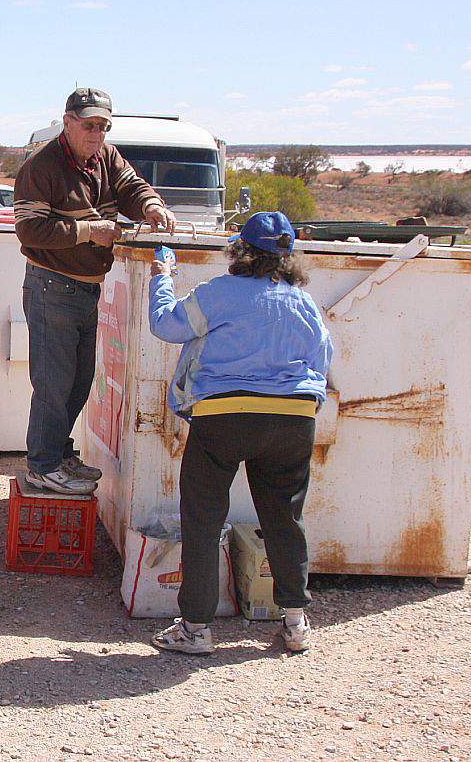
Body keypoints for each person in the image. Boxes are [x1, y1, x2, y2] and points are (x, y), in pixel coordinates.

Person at [146, 211, 334, 655]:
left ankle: (195, 630)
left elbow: (167, 326)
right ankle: (294, 623)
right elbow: (322, 359)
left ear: (240, 251)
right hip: (293, 418)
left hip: (224, 416)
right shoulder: (302, 301)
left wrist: (162, 277)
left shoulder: (219, 292)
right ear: (288, 256)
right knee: (284, 518)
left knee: (204, 520)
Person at [14, 87, 175, 495]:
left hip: (85, 290)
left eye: (103, 126)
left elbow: (132, 187)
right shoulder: (42, 166)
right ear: (67, 122)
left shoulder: (106, 158)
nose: (96, 134)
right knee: (53, 384)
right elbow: (29, 229)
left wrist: (152, 205)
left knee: (78, 381)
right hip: (52, 286)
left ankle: (59, 454)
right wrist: (89, 232)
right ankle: (43, 465)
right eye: (89, 125)